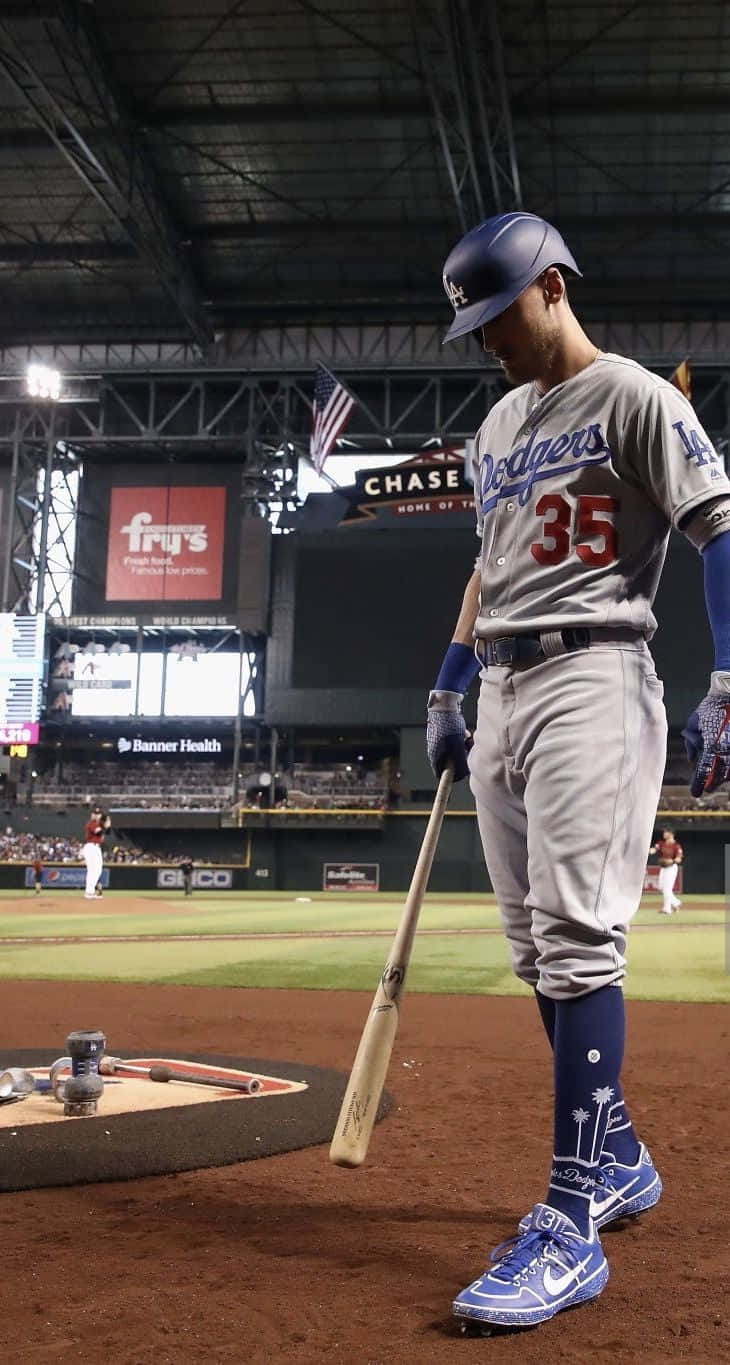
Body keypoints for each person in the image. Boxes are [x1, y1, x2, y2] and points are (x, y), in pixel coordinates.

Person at [427, 211, 730, 1332]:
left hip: (593, 674)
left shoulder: (640, 399)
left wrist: (728, 678)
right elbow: (486, 566)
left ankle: (568, 1223)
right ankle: (618, 1160)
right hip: (502, 684)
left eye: (498, 312)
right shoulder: (496, 422)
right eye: (474, 320)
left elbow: (719, 529)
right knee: (529, 953)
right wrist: (448, 682)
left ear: (552, 285)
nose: (486, 336)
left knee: (575, 940)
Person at [650, 828, 683, 914]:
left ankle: (667, 909)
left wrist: (672, 860)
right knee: (661, 887)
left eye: (666, 832)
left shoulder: (676, 846)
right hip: (663, 868)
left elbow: (679, 859)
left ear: (671, 834)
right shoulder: (661, 843)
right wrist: (649, 851)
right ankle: (676, 903)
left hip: (671, 868)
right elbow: (654, 849)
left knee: (667, 889)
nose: (664, 833)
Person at [82, 806, 110, 901]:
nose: (96, 815)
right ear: (92, 815)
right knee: (92, 870)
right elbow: (99, 833)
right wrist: (105, 826)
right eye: (95, 813)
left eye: (98, 814)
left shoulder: (98, 824)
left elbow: (107, 831)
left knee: (97, 870)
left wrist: (107, 825)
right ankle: (89, 892)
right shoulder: (92, 823)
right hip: (91, 847)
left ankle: (91, 891)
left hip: (96, 848)